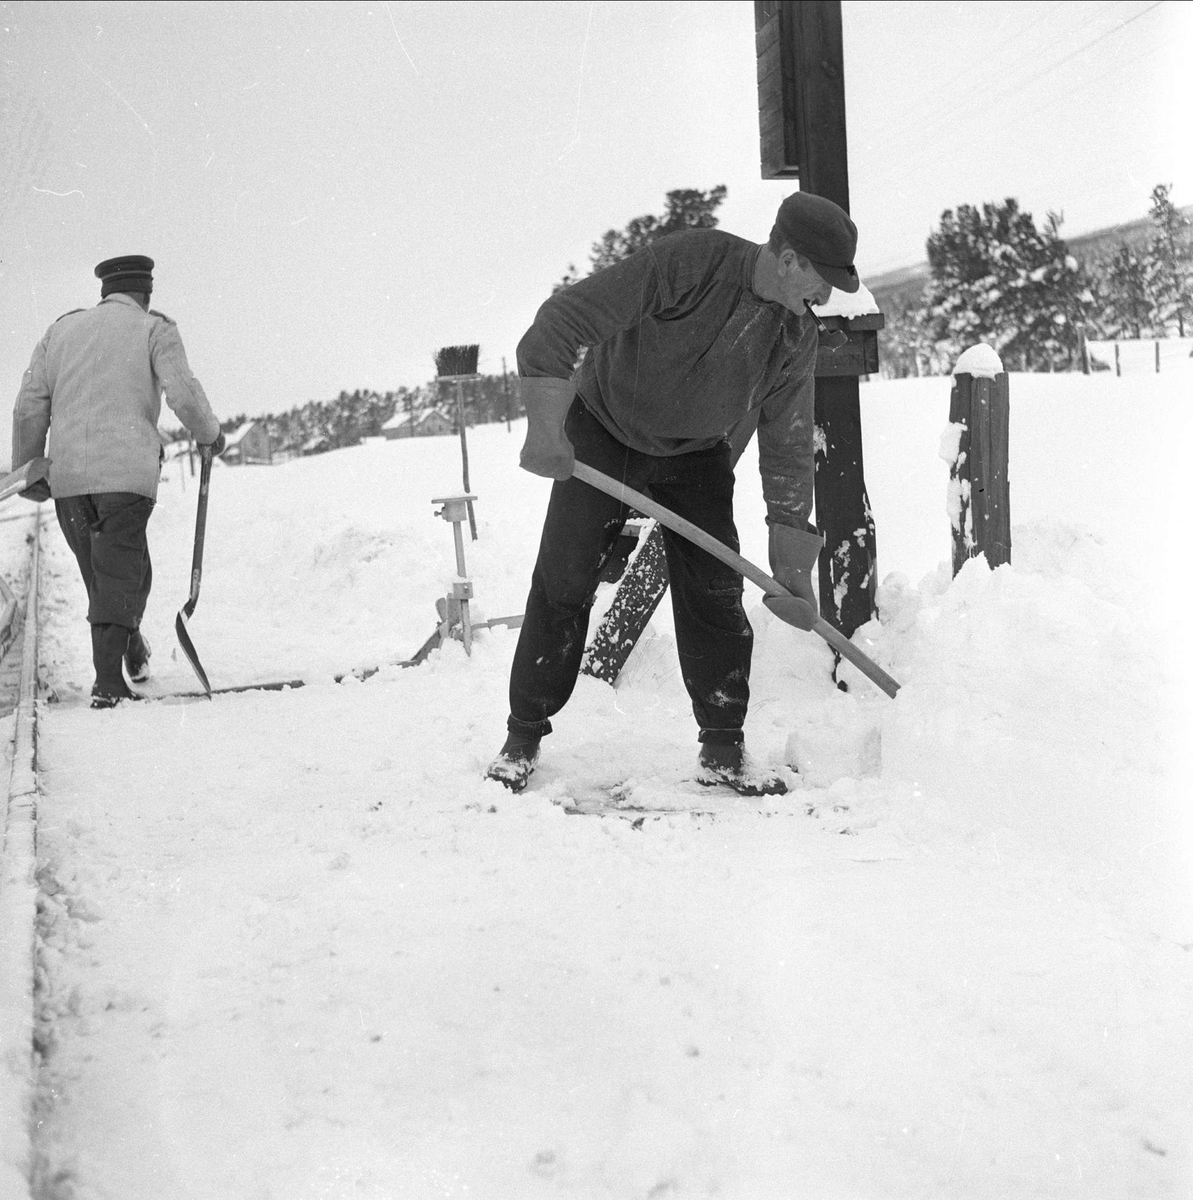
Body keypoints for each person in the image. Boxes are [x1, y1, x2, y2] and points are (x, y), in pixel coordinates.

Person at [486, 191, 861, 796]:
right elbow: (561, 321)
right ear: (789, 258)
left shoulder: (794, 335)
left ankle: (722, 750)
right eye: (823, 280)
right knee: (564, 580)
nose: (825, 298)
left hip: (696, 454)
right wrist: (546, 429)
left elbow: (788, 443)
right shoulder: (690, 263)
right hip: (604, 431)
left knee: (715, 593)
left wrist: (792, 564)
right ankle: (521, 737)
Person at [11, 255, 226, 708]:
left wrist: (28, 467)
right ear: (146, 293)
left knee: (113, 572)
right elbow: (183, 392)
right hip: (125, 478)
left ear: (105, 291)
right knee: (120, 572)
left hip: (69, 480)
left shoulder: (60, 332)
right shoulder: (154, 329)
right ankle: (107, 682)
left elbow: (29, 403)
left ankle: (130, 647)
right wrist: (211, 435)